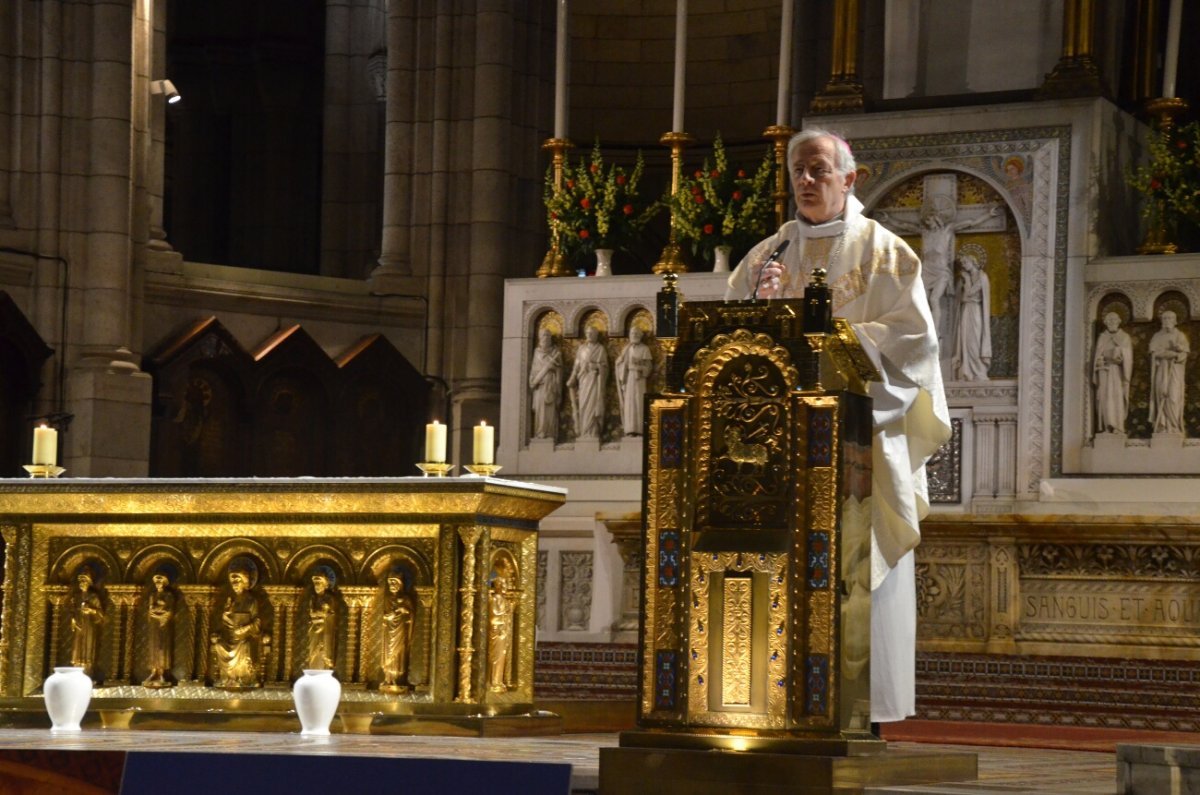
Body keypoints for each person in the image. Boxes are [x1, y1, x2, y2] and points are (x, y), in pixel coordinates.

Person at [725, 128, 951, 725]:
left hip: (857, 449)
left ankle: (861, 715)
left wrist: (829, 348)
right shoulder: (763, 259)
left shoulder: (886, 254)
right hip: (782, 457)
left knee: (857, 582)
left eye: (818, 169)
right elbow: (730, 352)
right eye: (798, 170)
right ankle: (772, 706)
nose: (806, 180)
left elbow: (913, 346)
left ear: (849, 179)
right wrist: (759, 310)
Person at [876, 198, 1000, 339]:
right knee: (920, 300)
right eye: (926, 221)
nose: (927, 223)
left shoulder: (947, 230)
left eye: (929, 220)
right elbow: (904, 226)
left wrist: (988, 215)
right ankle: (919, 328)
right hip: (927, 271)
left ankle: (935, 332)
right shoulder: (925, 232)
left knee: (934, 299)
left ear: (936, 219)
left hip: (941, 272)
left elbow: (970, 223)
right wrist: (888, 220)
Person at [210, 557, 264, 689]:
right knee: (218, 646)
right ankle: (228, 677)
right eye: (233, 581)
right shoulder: (230, 601)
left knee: (245, 645)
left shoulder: (251, 601)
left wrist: (244, 629)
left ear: (245, 581)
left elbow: (257, 622)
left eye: (237, 580)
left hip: (245, 637)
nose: (234, 584)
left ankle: (244, 678)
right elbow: (226, 622)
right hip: (230, 636)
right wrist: (226, 615)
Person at [951, 253, 991, 381]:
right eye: (962, 264)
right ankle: (965, 370)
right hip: (965, 310)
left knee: (974, 341)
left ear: (973, 261)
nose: (963, 265)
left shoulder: (982, 277)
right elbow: (962, 298)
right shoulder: (963, 278)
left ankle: (979, 371)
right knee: (964, 340)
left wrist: (967, 281)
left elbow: (970, 293)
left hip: (976, 311)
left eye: (965, 263)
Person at [1150, 310, 1190, 434]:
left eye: (1170, 318)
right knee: (1162, 393)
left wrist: (1178, 353)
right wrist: (1168, 354)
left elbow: (1184, 354)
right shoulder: (1157, 336)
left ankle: (1173, 426)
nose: (1167, 321)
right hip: (1161, 369)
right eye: (1165, 318)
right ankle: (1162, 425)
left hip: (1175, 370)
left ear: (1175, 321)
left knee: (1173, 396)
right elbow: (1153, 353)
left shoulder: (1180, 335)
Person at [1092, 311, 1133, 434]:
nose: (1111, 322)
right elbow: (1097, 356)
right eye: (1109, 320)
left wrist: (1120, 354)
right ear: (1105, 323)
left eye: (1114, 320)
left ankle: (1118, 426)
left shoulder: (1124, 337)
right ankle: (1107, 426)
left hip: (1117, 372)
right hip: (1104, 371)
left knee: (1116, 397)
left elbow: (1128, 357)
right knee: (1104, 397)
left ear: (1119, 322)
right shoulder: (1102, 337)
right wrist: (1099, 362)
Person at [567, 325, 608, 439]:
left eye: (592, 333)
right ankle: (585, 431)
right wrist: (572, 377)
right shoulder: (581, 349)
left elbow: (605, 367)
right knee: (583, 405)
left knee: (593, 406)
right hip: (583, 381)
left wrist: (596, 366)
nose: (589, 335)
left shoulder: (600, 349)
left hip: (595, 382)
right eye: (588, 333)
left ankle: (593, 431)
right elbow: (576, 366)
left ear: (596, 335)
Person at [379, 568, 416, 692]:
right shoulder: (387, 599)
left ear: (400, 584)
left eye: (394, 583)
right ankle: (387, 678)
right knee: (388, 652)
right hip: (388, 631)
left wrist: (403, 610)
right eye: (390, 583)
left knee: (398, 652)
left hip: (400, 629)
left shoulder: (406, 599)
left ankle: (398, 679)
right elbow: (383, 615)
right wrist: (387, 617)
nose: (392, 585)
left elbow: (411, 615)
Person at [486, 557, 520, 693]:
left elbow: (508, 612)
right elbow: (494, 614)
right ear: (498, 586)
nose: (505, 588)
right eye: (503, 585)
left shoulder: (504, 600)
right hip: (497, 630)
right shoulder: (494, 599)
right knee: (495, 657)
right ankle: (493, 682)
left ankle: (499, 681)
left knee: (502, 656)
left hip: (503, 631)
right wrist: (506, 612)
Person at [143, 566, 178, 688]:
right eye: (156, 580)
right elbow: (150, 611)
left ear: (165, 581)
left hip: (164, 625)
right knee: (153, 647)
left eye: (160, 580)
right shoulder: (153, 595)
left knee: (162, 648)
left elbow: (169, 611)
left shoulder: (169, 595)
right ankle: (153, 671)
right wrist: (159, 610)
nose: (158, 583)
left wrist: (159, 612)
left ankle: (162, 672)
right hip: (154, 625)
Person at [615, 326, 654, 436]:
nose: (634, 335)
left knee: (638, 401)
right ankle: (630, 429)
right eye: (632, 333)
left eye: (637, 333)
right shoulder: (627, 349)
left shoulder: (644, 349)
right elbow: (621, 363)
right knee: (629, 403)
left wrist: (640, 368)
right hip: (629, 379)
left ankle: (640, 429)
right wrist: (619, 364)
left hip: (639, 379)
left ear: (640, 336)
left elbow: (649, 366)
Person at [69, 564, 105, 677]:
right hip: (79, 624)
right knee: (77, 646)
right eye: (81, 581)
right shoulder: (76, 596)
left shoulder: (93, 596)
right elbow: (72, 610)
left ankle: (88, 669)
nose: (82, 583)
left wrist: (91, 610)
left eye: (85, 581)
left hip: (89, 624)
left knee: (88, 645)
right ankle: (76, 669)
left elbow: (101, 613)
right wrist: (73, 619)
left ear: (89, 582)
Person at [528, 328, 563, 440]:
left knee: (549, 412)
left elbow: (560, 370)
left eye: (548, 335)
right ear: (539, 338)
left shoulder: (555, 352)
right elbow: (534, 371)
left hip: (551, 385)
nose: (546, 338)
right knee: (540, 411)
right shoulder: (537, 353)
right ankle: (540, 432)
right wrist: (535, 379)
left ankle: (549, 433)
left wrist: (555, 369)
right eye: (543, 335)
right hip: (540, 386)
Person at [303, 566, 339, 671]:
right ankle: (313, 669)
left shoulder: (329, 598)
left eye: (319, 583)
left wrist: (323, 615)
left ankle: (325, 669)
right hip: (314, 628)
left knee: (325, 650)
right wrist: (319, 614)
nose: (316, 586)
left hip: (326, 630)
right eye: (315, 584)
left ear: (325, 584)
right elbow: (312, 613)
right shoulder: (313, 598)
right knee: (312, 649)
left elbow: (330, 614)